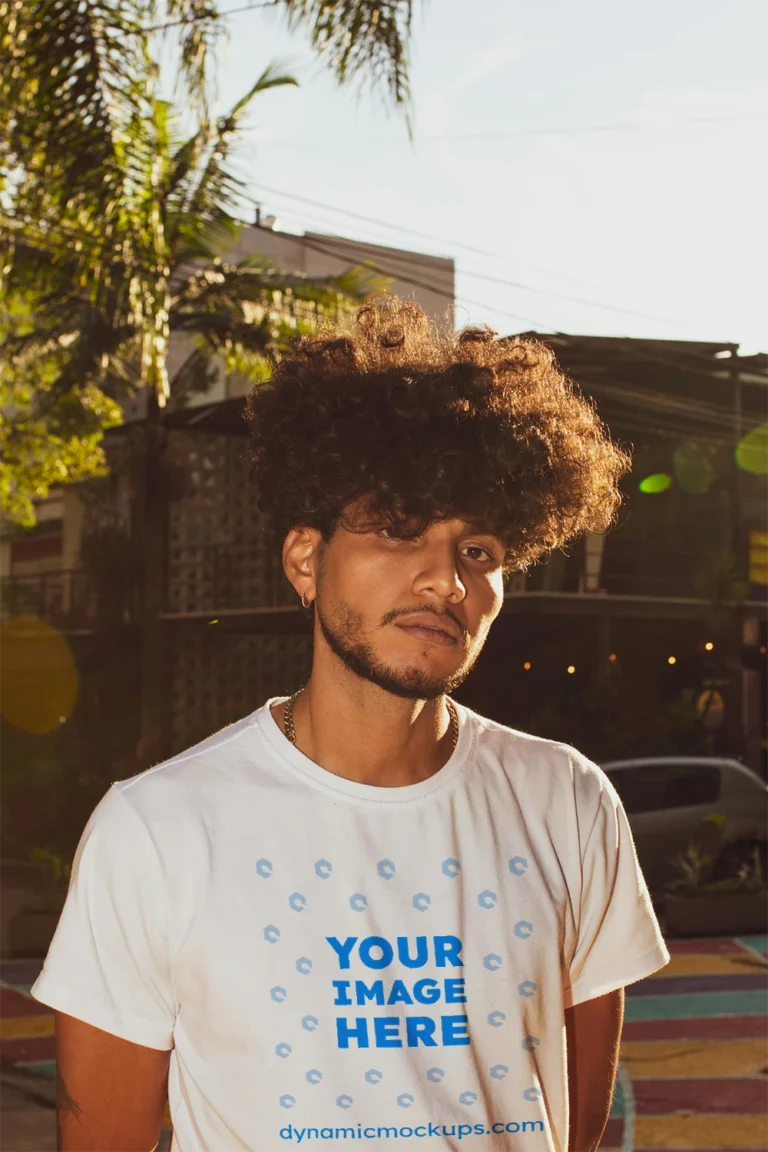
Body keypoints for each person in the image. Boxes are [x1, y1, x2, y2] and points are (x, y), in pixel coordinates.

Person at [33, 297, 669, 1151]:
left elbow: (570, 1124)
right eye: (401, 531)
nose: (446, 578)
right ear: (306, 560)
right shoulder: (157, 830)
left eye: (478, 551)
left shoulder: (568, 801)